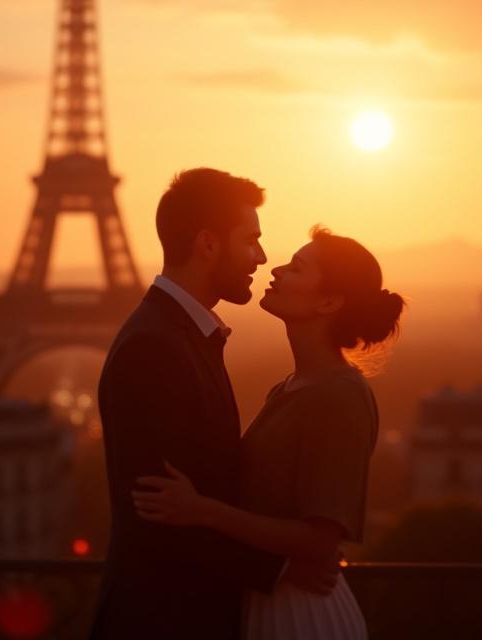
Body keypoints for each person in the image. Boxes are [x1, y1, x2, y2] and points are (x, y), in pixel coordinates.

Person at [89, 169, 341, 640]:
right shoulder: (156, 349)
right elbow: (160, 513)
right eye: (250, 240)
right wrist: (279, 569)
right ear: (208, 244)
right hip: (164, 623)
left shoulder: (179, 337)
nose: (262, 257)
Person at [133, 225, 405, 639]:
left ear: (329, 300)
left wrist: (201, 509)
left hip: (301, 614)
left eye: (296, 268)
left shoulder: (340, 396)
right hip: (272, 600)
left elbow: (318, 540)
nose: (274, 269)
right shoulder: (292, 387)